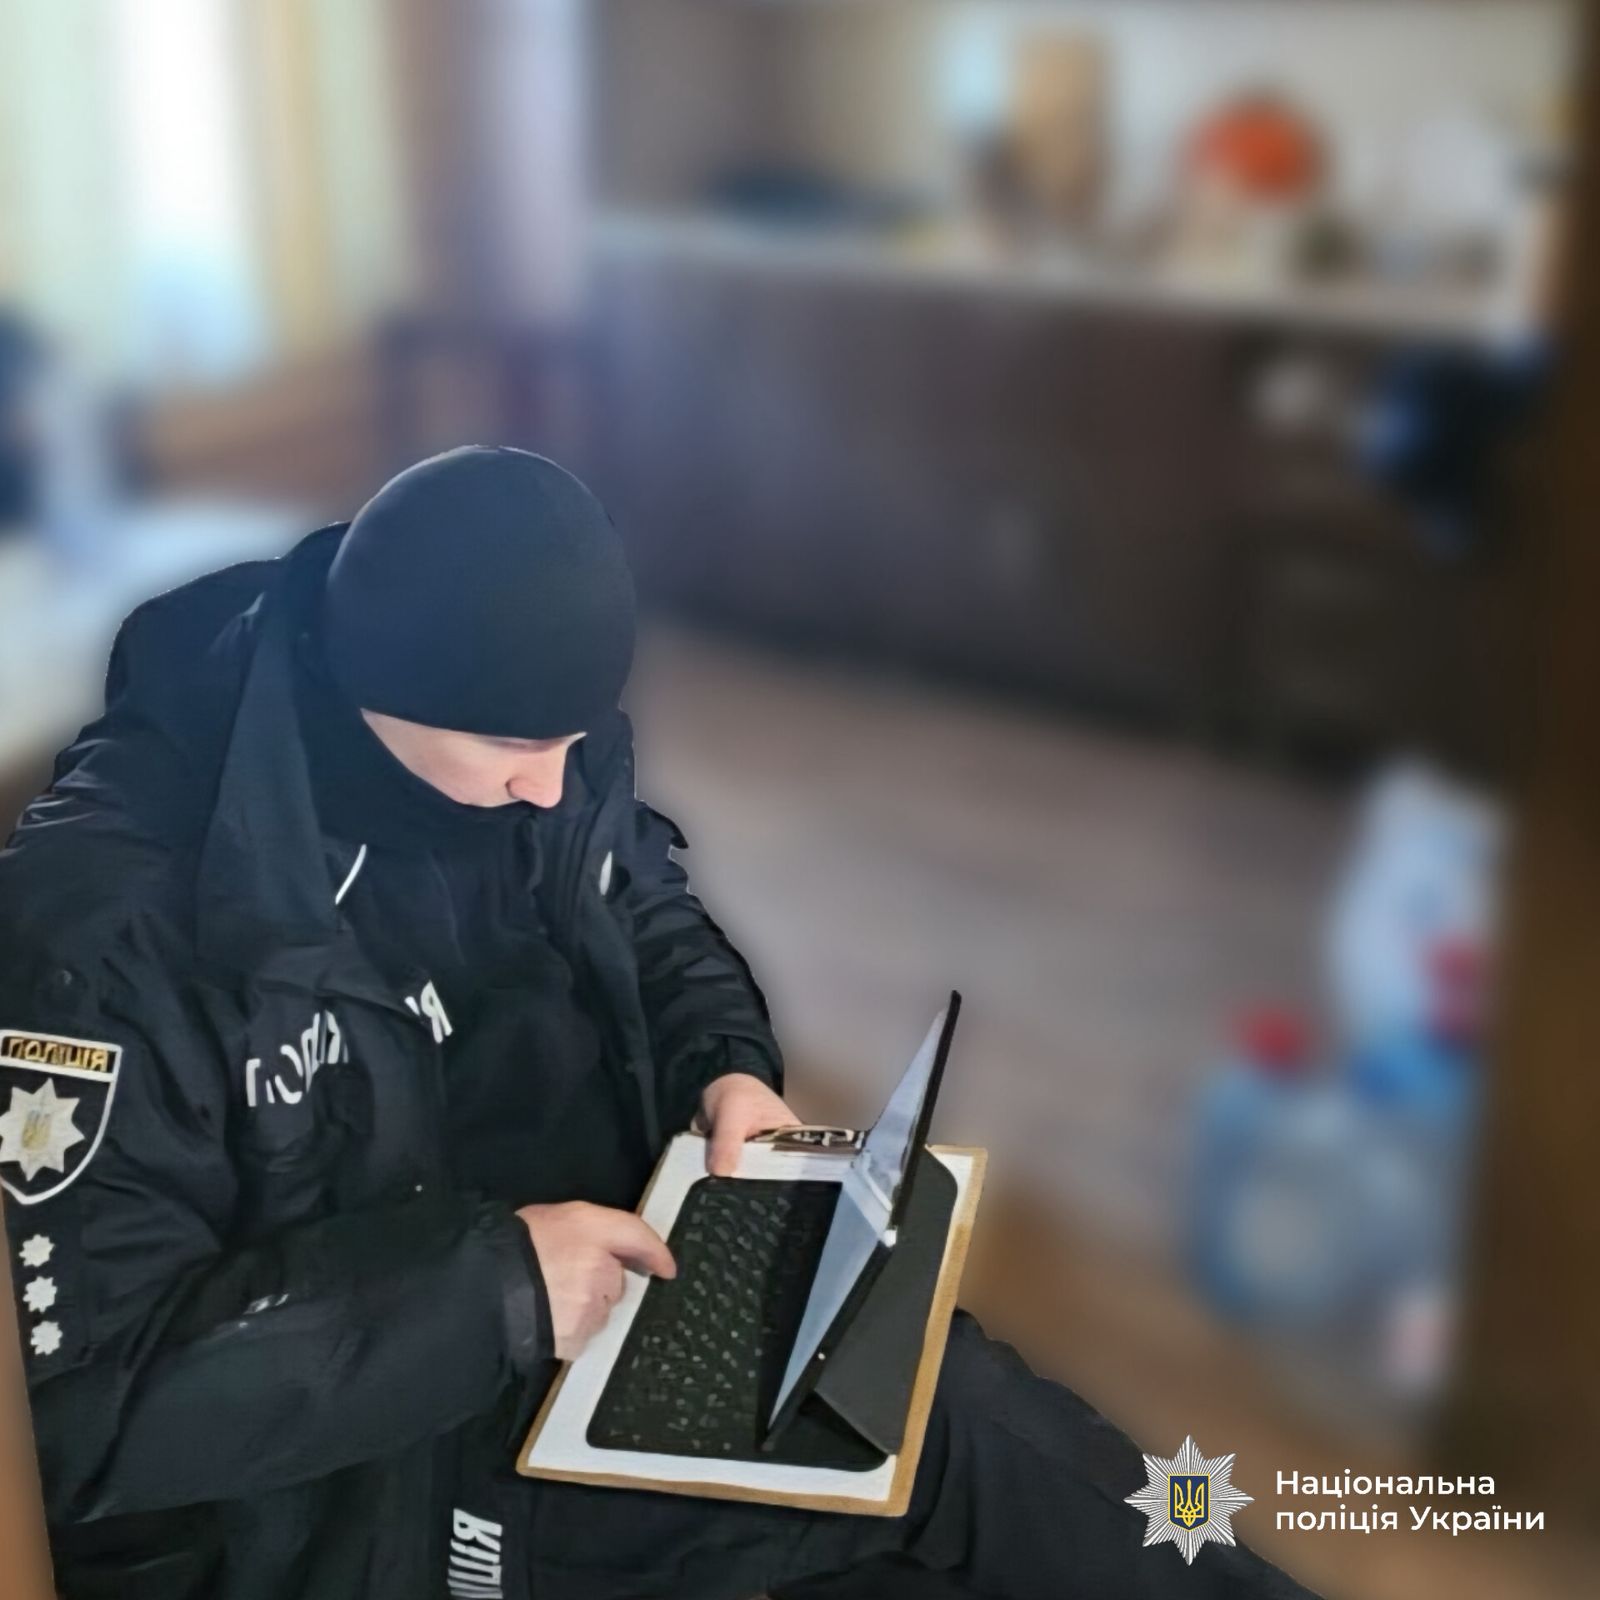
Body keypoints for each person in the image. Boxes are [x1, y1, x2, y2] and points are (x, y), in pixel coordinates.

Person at [0, 447, 1314, 1600]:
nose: (551, 786)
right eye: (514, 750)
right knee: (950, 1435)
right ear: (375, 689)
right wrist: (499, 1294)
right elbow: (77, 1409)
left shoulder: (519, 730)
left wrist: (726, 1068)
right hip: (377, 1485)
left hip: (601, 1285)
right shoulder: (107, 943)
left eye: (575, 742)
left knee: (919, 1406)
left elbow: (645, 908)